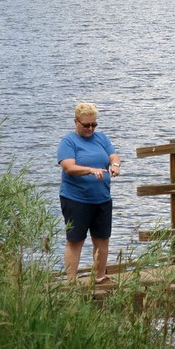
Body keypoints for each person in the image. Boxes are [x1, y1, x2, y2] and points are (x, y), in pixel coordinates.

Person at [57, 102, 121, 282]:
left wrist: (115, 165)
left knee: (102, 238)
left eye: (94, 124)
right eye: (86, 125)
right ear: (76, 122)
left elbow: (113, 155)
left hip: (101, 198)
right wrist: (91, 170)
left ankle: (99, 276)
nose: (90, 128)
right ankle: (71, 280)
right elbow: (69, 167)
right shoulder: (68, 141)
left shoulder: (101, 138)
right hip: (76, 198)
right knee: (75, 240)